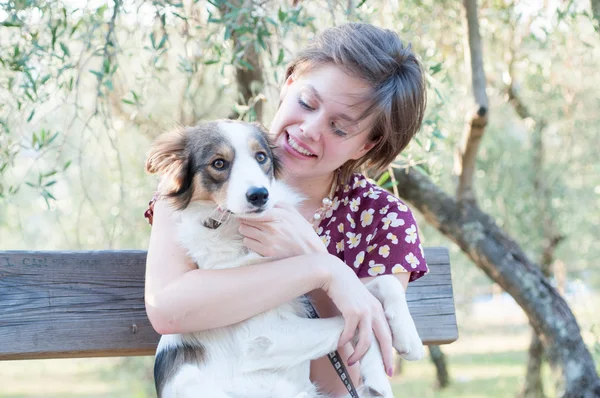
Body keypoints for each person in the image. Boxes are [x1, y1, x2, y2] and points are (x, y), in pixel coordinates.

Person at [144, 22, 429, 397]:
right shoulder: (194, 189)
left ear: (367, 145)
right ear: (289, 82)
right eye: (307, 103)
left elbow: (346, 384)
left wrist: (312, 254)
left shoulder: (382, 219)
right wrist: (322, 270)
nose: (310, 129)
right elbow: (167, 309)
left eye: (339, 128)